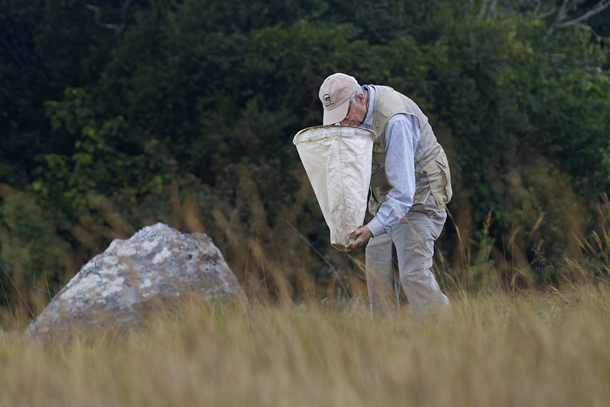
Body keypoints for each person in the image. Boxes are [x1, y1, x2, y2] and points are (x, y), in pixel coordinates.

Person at [318, 73, 452, 314]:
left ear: (360, 98)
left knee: (412, 273)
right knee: (378, 267)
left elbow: (403, 193)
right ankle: (387, 340)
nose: (342, 123)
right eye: (335, 118)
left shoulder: (396, 120)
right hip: (388, 201)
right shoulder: (352, 117)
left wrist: (370, 228)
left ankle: (446, 332)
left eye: (344, 114)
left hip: (421, 197)